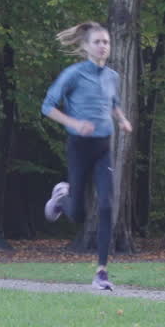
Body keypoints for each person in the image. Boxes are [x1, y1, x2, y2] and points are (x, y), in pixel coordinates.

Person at [41, 21, 132, 291]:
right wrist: (74, 123)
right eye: (97, 42)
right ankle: (61, 197)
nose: (103, 46)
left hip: (103, 147)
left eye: (106, 42)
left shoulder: (112, 76)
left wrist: (123, 120)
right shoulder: (73, 74)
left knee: (106, 207)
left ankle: (101, 272)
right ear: (85, 46)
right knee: (78, 214)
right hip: (79, 146)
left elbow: (113, 103)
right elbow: (47, 106)